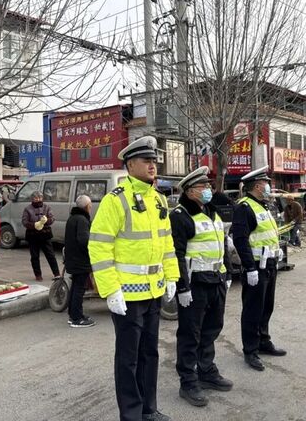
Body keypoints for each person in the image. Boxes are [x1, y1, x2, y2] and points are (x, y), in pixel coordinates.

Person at [88, 136, 179, 421]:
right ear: (130, 165)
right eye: (146, 160)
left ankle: (149, 409)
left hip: (154, 291)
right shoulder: (116, 200)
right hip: (127, 295)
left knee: (150, 354)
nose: (153, 165)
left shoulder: (158, 199)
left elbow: (167, 243)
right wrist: (110, 289)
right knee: (128, 358)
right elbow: (99, 246)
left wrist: (172, 276)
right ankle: (131, 415)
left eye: (154, 160)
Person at [170, 167, 234, 408]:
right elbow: (176, 253)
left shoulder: (211, 212)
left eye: (209, 186)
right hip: (195, 283)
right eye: (203, 187)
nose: (208, 190)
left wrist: (228, 273)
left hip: (216, 279)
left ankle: (206, 370)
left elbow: (222, 244)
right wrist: (182, 287)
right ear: (190, 191)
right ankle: (188, 381)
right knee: (190, 334)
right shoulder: (180, 215)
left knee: (212, 328)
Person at [231, 166, 286, 372]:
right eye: (266, 183)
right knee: (253, 310)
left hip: (269, 263)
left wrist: (276, 252)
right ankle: (250, 350)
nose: (269, 186)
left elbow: (268, 234)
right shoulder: (244, 207)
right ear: (257, 186)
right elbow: (240, 240)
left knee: (266, 306)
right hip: (256, 266)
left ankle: (263, 340)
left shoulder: (263, 206)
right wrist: (249, 267)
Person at [63, 195, 95, 328]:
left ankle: (74, 314)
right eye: (90, 204)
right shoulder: (82, 220)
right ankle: (77, 318)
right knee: (79, 289)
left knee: (75, 287)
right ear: (87, 206)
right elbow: (84, 241)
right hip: (80, 260)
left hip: (73, 258)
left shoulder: (73, 218)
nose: (91, 207)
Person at [22, 191, 59, 281]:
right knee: (35, 256)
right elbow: (24, 222)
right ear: (32, 199)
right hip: (33, 235)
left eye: (40, 198)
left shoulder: (47, 207)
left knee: (50, 254)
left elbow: (52, 218)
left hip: (45, 234)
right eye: (36, 198)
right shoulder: (27, 209)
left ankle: (56, 273)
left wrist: (46, 221)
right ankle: (38, 275)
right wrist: (34, 225)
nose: (38, 199)